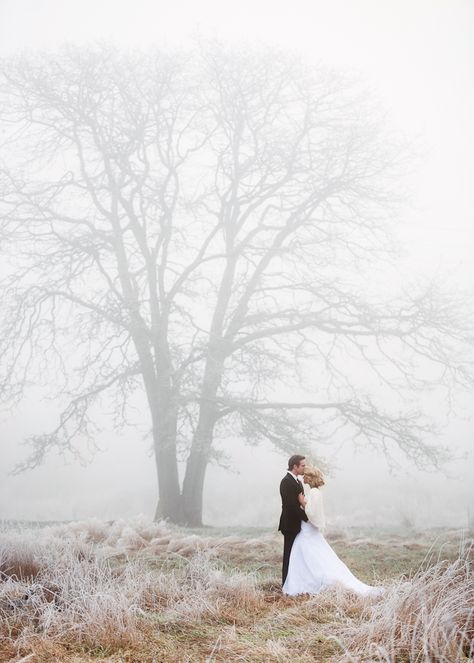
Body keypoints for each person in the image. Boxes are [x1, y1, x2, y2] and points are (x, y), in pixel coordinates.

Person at [282, 465, 383, 597]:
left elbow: (312, 512)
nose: (303, 477)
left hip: (307, 528)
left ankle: (306, 581)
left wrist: (302, 502)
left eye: (306, 475)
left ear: (310, 477)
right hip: (309, 528)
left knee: (304, 553)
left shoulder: (313, 492)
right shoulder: (315, 492)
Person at [278, 454, 309, 586]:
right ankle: (286, 584)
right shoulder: (286, 482)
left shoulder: (298, 482)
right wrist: (308, 518)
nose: (304, 468)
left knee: (297, 555)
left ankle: (296, 582)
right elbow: (291, 506)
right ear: (294, 466)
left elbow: (301, 502)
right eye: (302, 465)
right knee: (289, 555)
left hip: (298, 524)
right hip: (290, 525)